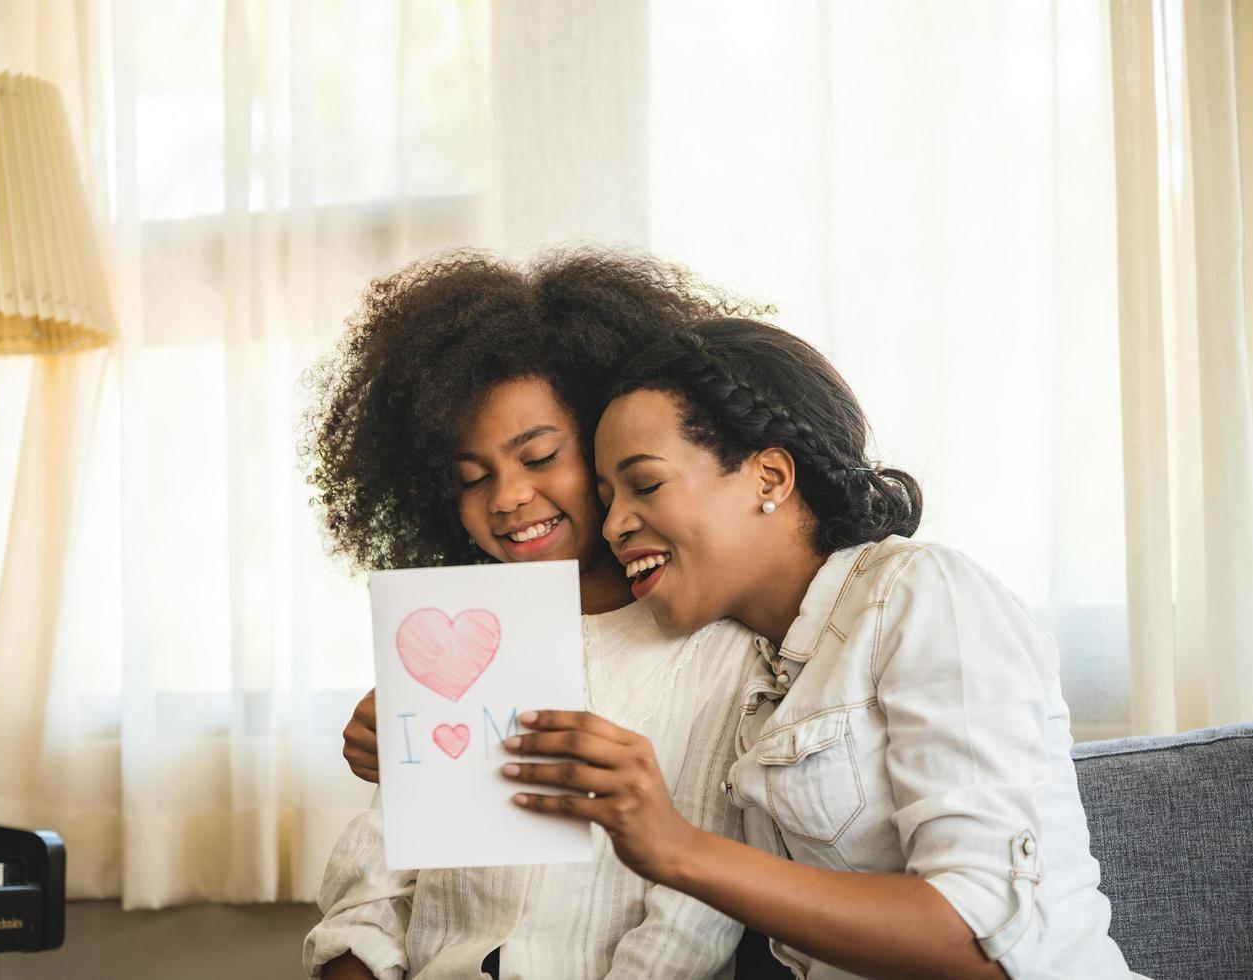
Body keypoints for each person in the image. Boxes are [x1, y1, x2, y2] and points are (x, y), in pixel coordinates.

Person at [501, 318, 1140, 979]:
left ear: (770, 477)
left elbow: (978, 941)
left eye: (645, 484)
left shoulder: (918, 594)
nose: (613, 525)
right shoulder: (738, 666)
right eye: (604, 498)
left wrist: (677, 849)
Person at [302, 253, 767, 979]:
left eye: (540, 456)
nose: (507, 498)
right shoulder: (450, 642)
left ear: (611, 447)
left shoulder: (717, 646)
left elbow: (691, 920)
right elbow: (370, 891)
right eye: (471, 478)